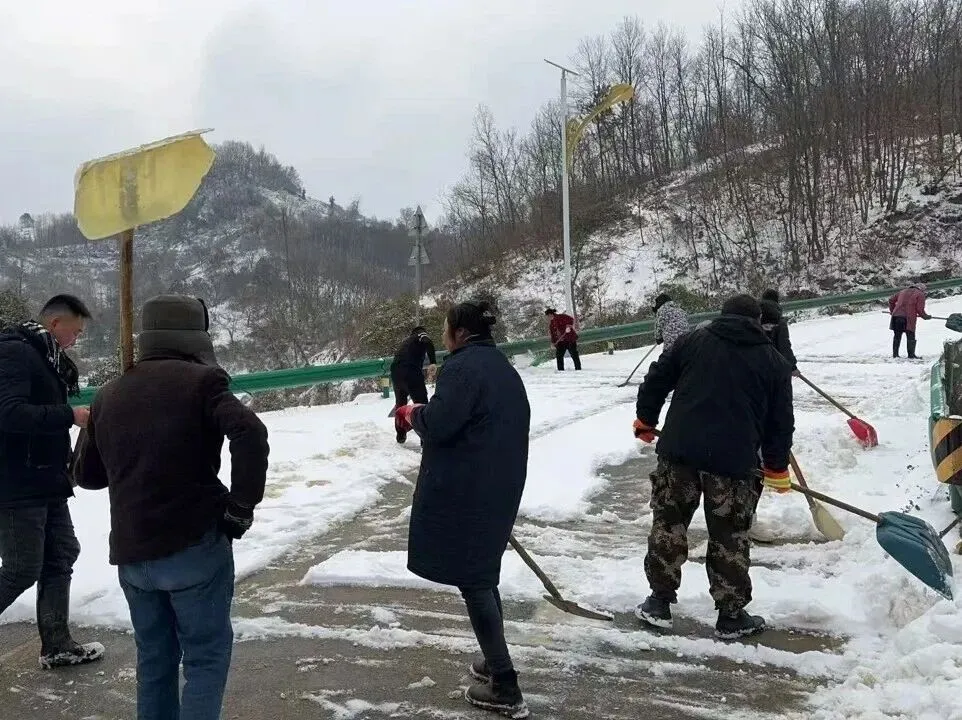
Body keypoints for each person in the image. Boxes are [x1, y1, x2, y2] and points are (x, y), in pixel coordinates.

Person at [76, 295, 269, 720]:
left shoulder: (110, 392)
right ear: (197, 335)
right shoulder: (203, 382)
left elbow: (88, 476)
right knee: (204, 658)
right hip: (192, 546)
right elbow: (250, 433)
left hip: (132, 555)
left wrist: (102, 426)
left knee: (154, 661)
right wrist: (241, 507)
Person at [396, 300, 530, 719]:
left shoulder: (461, 368)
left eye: (446, 328)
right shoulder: (500, 365)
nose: (443, 335)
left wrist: (412, 413)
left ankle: (505, 684)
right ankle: (493, 660)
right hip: (499, 481)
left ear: (460, 333)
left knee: (474, 581)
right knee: (483, 573)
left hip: (471, 487)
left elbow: (440, 423)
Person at [632, 294, 794, 639]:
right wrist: (776, 466)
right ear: (758, 321)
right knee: (729, 534)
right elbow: (780, 423)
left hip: (680, 453)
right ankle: (731, 616)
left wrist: (646, 419)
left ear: (722, 315)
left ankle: (659, 601)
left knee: (669, 524)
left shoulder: (692, 341)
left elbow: (657, 378)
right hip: (733, 463)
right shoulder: (773, 361)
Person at [0, 294, 104, 669]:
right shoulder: (14, 352)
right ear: (56, 323)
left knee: (61, 555)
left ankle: (57, 645)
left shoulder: (45, 356)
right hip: (17, 481)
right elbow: (8, 412)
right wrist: (69, 415)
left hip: (47, 479)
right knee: (21, 568)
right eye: (75, 332)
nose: (76, 339)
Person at [391, 326, 437, 443]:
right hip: (410, 372)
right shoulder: (420, 335)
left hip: (396, 372)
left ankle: (400, 435)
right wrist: (433, 362)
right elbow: (427, 341)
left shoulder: (406, 342)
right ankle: (426, 440)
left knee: (400, 403)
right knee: (421, 404)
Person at [759, 289, 799, 375]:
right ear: (777, 300)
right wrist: (793, 367)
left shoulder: (753, 317)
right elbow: (784, 345)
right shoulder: (779, 321)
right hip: (774, 365)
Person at [889, 283, 931, 359]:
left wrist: (892, 311)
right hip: (908, 317)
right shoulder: (920, 294)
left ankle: (895, 355)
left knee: (897, 336)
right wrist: (925, 316)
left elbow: (891, 300)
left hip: (896, 316)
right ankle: (911, 355)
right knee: (910, 335)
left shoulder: (902, 291)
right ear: (922, 289)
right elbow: (919, 309)